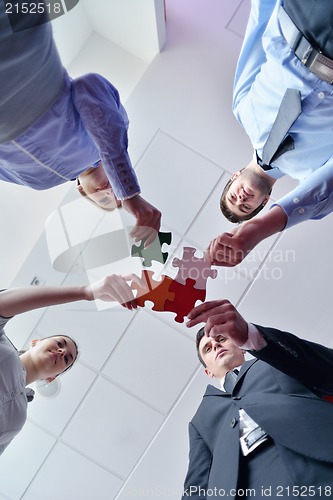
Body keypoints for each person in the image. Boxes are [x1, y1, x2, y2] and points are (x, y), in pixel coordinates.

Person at [0, 2, 161, 246]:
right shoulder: (112, 137)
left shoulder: (39, 183)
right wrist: (127, 190)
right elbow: (89, 85)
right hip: (23, 52)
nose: (111, 193)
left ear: (82, 191)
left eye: (106, 201)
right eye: (115, 194)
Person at [207, 0, 333, 267]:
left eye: (233, 197)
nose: (241, 200)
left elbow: (257, 30)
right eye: (246, 208)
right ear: (264, 203)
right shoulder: (311, 174)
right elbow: (326, 190)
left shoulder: (241, 108)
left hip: (306, 16)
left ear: (234, 177)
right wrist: (256, 231)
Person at [181, 299, 333, 498]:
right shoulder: (199, 421)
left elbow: (326, 369)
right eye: (207, 348)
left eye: (220, 338)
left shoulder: (274, 361)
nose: (216, 345)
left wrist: (252, 337)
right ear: (208, 372)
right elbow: (196, 488)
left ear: (241, 348)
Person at [0, 272, 139, 455]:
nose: (62, 352)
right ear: (36, 342)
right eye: (59, 344)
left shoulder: (20, 415)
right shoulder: (3, 344)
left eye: (67, 359)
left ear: (52, 378)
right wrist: (85, 292)